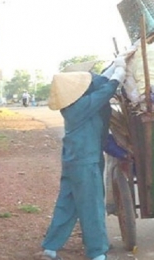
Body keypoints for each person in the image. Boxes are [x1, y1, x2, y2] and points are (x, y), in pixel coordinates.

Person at [36, 57, 127, 260]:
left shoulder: (73, 103)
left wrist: (118, 63)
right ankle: (97, 253)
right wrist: (119, 74)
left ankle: (50, 248)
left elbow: (98, 82)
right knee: (92, 205)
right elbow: (105, 90)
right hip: (86, 161)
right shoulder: (83, 105)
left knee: (67, 203)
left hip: (73, 159)